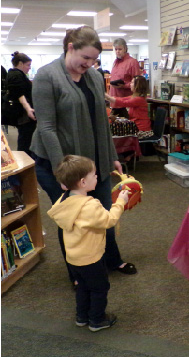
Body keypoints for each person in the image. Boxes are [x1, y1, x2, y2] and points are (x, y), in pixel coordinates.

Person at [30, 26, 137, 288]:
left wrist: (111, 155)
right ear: (70, 48)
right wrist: (62, 171)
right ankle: (78, 272)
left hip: (92, 161)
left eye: (93, 60)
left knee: (102, 211)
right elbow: (47, 128)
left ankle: (111, 260)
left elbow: (101, 119)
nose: (88, 65)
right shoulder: (47, 76)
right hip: (58, 162)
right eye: (85, 58)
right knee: (73, 219)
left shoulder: (93, 76)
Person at [48, 155, 129, 332]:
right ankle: (97, 320)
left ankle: (82, 317)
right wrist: (120, 202)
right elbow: (109, 220)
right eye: (94, 175)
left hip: (73, 257)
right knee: (100, 288)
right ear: (83, 182)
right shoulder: (89, 206)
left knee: (83, 286)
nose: (97, 177)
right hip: (91, 257)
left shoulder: (64, 201)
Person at [6, 52, 37, 155]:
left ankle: (27, 161)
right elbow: (20, 95)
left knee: (26, 139)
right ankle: (25, 163)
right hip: (23, 115)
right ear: (20, 63)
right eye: (28, 65)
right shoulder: (16, 75)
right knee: (25, 140)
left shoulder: (16, 74)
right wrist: (28, 109)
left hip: (23, 114)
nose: (29, 68)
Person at [105, 75, 153, 139]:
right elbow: (121, 99)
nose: (130, 84)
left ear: (138, 85)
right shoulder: (135, 97)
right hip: (135, 127)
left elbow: (123, 103)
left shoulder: (139, 99)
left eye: (132, 82)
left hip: (141, 130)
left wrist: (107, 96)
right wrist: (108, 97)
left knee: (116, 134)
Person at [109, 38, 140, 117]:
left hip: (126, 103)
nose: (117, 51)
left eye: (120, 49)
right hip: (114, 102)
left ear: (125, 49)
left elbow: (138, 82)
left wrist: (124, 85)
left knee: (126, 127)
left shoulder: (132, 62)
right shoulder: (115, 62)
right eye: (116, 49)